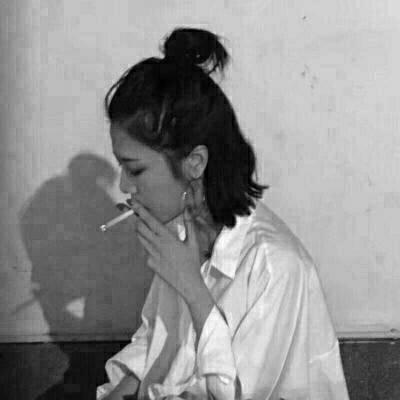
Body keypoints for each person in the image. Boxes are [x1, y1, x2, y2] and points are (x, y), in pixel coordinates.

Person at [96, 27, 349, 400]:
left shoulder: (274, 267)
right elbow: (157, 342)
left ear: (195, 162)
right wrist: (122, 388)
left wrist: (192, 287)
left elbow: (231, 393)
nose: (124, 185)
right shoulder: (181, 232)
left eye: (135, 170)